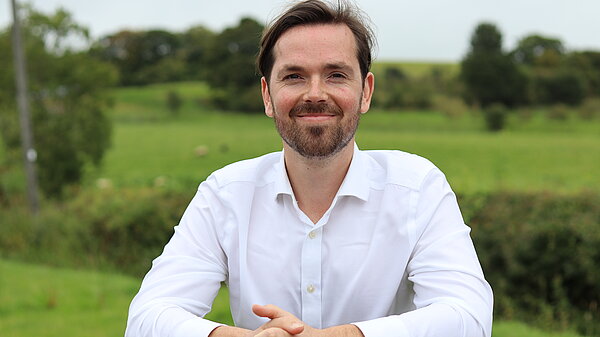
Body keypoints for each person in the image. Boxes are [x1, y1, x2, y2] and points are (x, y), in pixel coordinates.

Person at [125, 1, 493, 336]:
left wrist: (342, 336)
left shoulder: (418, 188)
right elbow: (146, 317)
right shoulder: (226, 193)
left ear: (366, 91)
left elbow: (469, 317)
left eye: (336, 75)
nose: (315, 93)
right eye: (294, 76)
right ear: (268, 96)